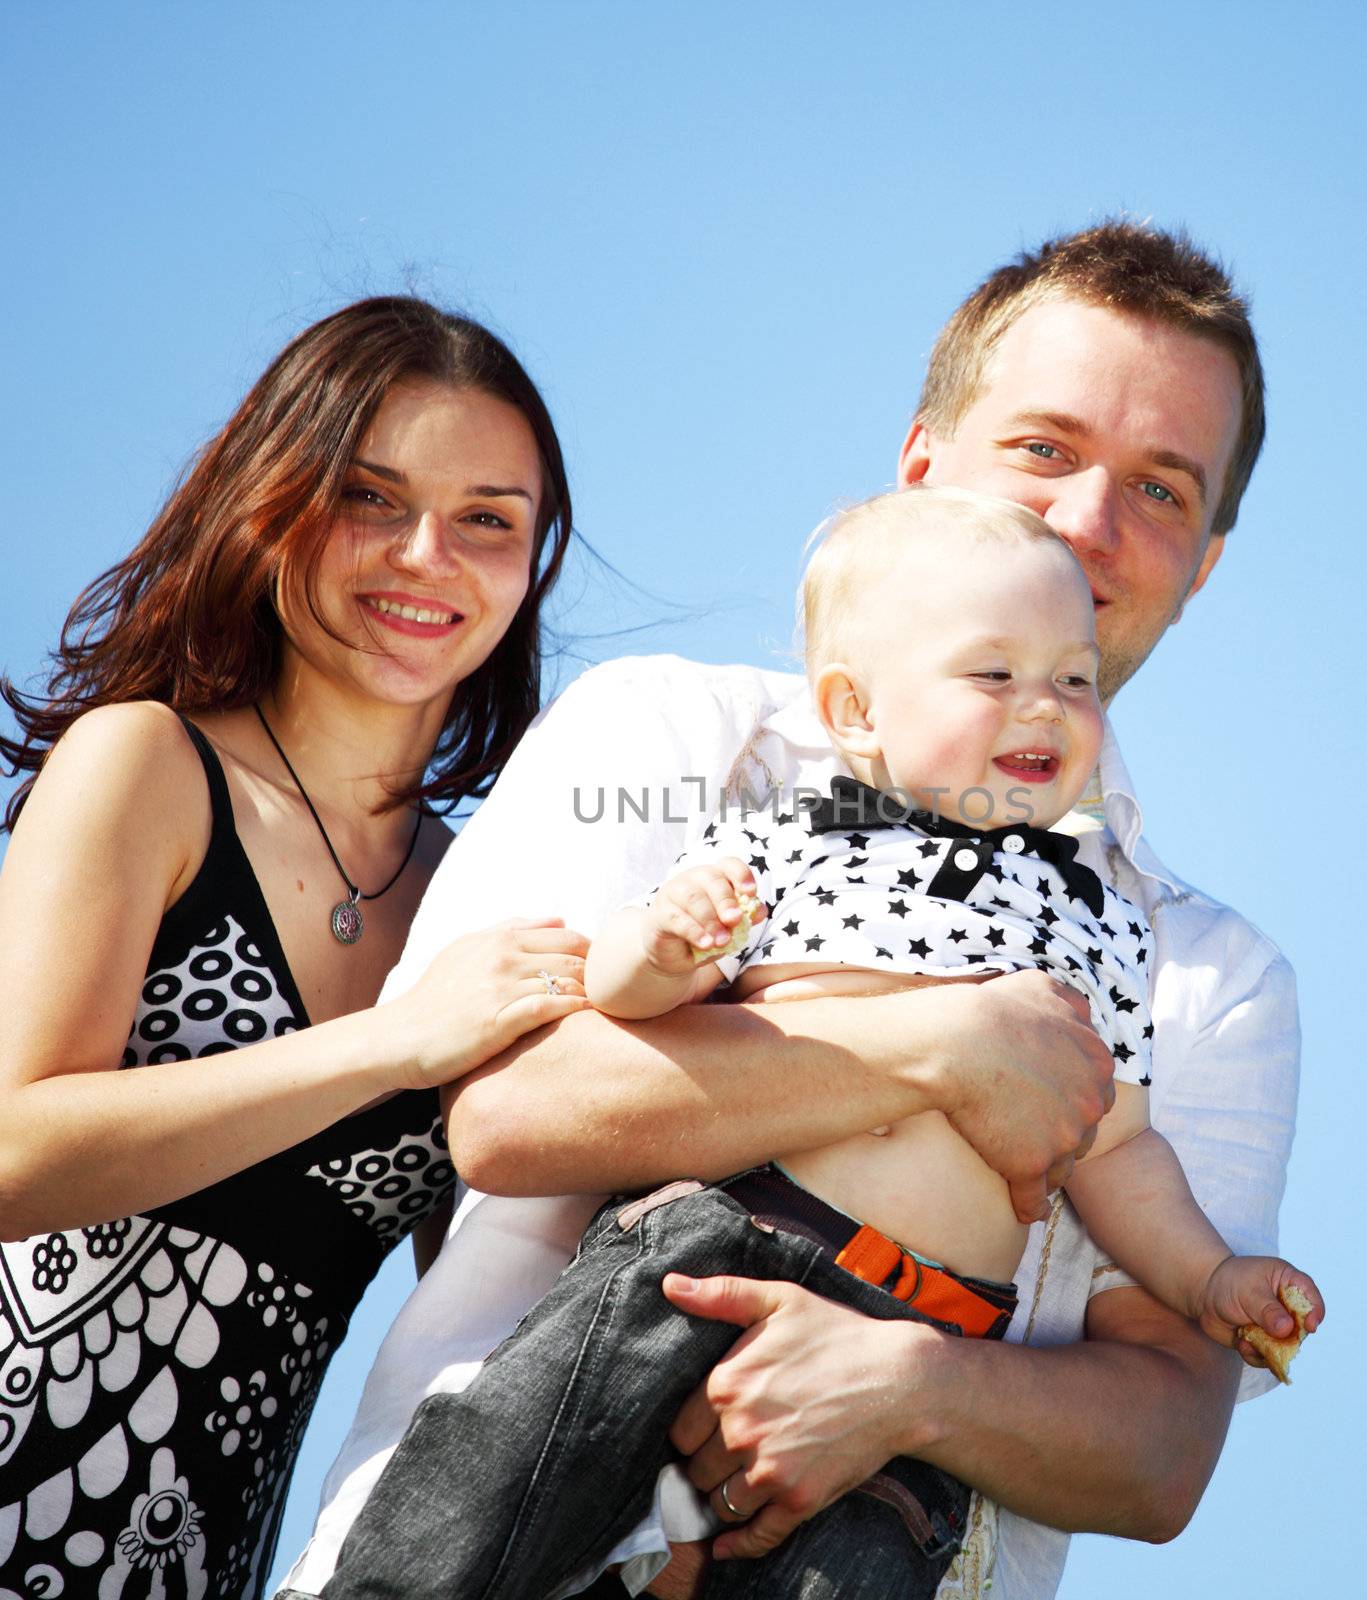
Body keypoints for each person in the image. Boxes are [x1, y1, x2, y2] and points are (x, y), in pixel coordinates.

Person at [280, 220, 1298, 1600]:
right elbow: (513, 1114)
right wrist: (938, 1052)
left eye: (1164, 489)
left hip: (885, 1524)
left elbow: (1162, 1454)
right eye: (1044, 450)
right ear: (923, 465)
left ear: (1207, 563)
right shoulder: (684, 740)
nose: (1088, 523)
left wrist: (909, 1390)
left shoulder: (1202, 969)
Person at [0, 297, 589, 1600]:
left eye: (488, 519)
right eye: (372, 497)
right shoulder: (147, 766)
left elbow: (484, 1320)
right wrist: (389, 1044)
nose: (428, 555)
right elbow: (11, 1154)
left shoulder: (477, 899)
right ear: (273, 503)